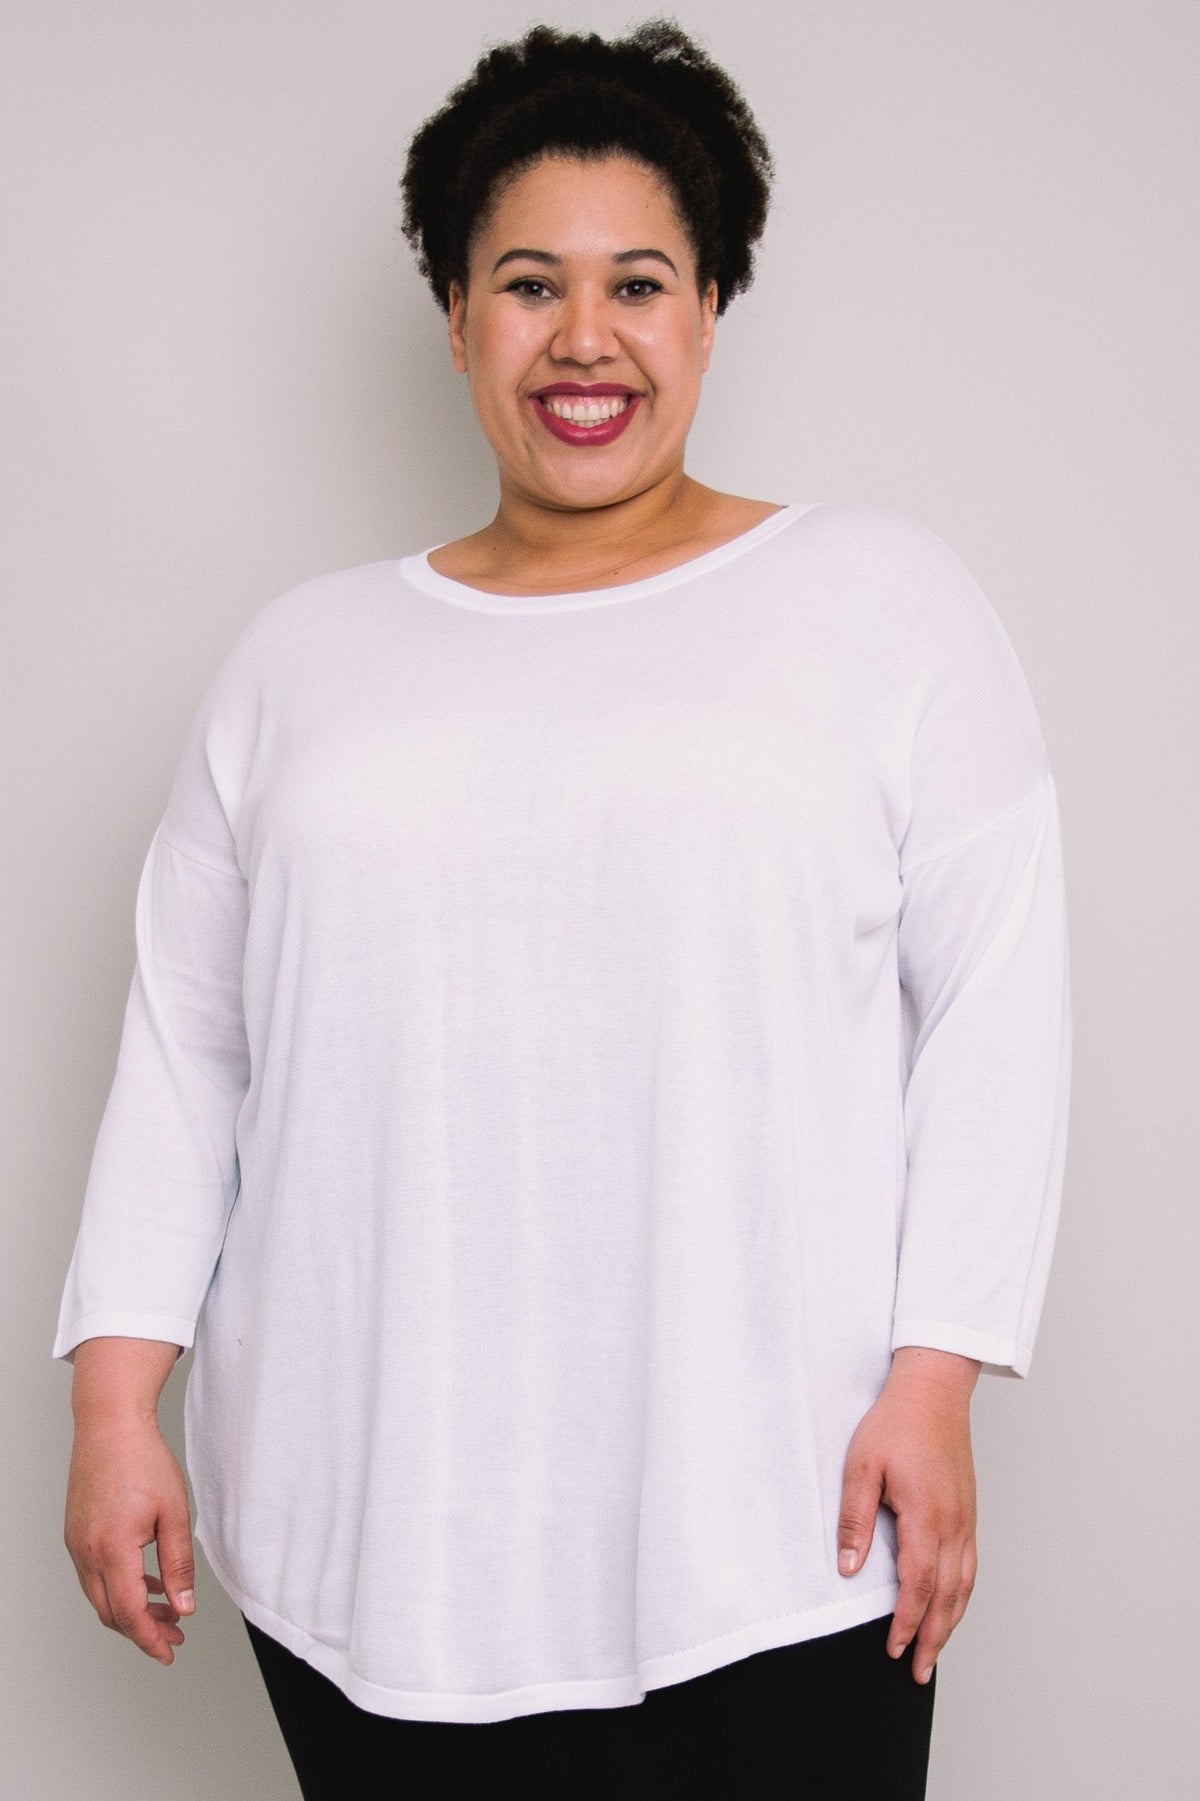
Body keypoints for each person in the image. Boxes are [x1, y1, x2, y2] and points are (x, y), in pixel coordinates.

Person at [56, 19, 1072, 1800]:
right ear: (457, 317)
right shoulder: (299, 661)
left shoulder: (881, 600)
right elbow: (189, 1046)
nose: (583, 336)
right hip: (365, 1540)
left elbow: (998, 1009)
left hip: (775, 1526)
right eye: (529, 284)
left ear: (710, 311)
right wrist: (112, 1401)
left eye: (639, 284)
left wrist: (936, 1385)